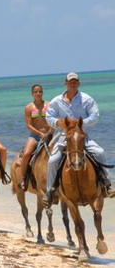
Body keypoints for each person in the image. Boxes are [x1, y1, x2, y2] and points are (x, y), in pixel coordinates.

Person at [43, 72, 115, 207]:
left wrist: (81, 123)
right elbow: (49, 117)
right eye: (70, 81)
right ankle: (50, 192)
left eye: (75, 81)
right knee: (53, 160)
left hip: (82, 135)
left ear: (79, 83)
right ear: (65, 83)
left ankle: (106, 185)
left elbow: (95, 116)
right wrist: (59, 123)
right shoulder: (56, 101)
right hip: (63, 136)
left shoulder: (87, 99)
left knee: (99, 152)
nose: (73, 83)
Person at [18, 84, 54, 191]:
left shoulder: (49, 105)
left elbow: (53, 121)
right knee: (27, 153)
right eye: (36, 92)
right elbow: (29, 125)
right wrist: (39, 134)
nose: (38, 93)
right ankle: (23, 177)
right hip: (35, 136)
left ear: (42, 93)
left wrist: (50, 132)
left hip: (50, 135)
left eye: (40, 91)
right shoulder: (29, 107)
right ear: (32, 94)